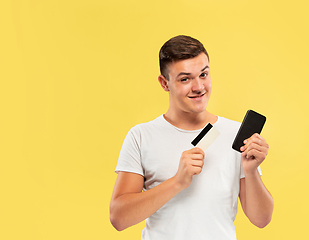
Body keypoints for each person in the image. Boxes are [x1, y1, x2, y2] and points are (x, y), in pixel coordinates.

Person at [110, 35, 273, 240]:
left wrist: (250, 172)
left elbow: (262, 219)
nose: (198, 87)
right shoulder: (141, 136)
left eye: (203, 75)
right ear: (164, 83)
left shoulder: (236, 134)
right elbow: (119, 217)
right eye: (185, 79)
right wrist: (177, 182)